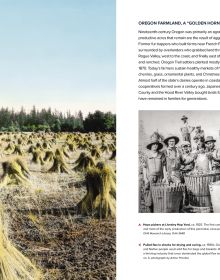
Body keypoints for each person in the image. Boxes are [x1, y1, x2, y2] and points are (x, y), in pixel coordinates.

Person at [143, 138, 165, 212]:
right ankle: (150, 211)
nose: (155, 145)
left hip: (160, 178)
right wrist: (145, 179)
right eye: (153, 144)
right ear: (151, 146)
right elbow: (144, 168)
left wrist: (165, 177)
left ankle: (158, 211)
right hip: (150, 178)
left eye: (156, 144)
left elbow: (164, 167)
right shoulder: (147, 155)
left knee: (159, 194)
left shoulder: (161, 155)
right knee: (150, 195)